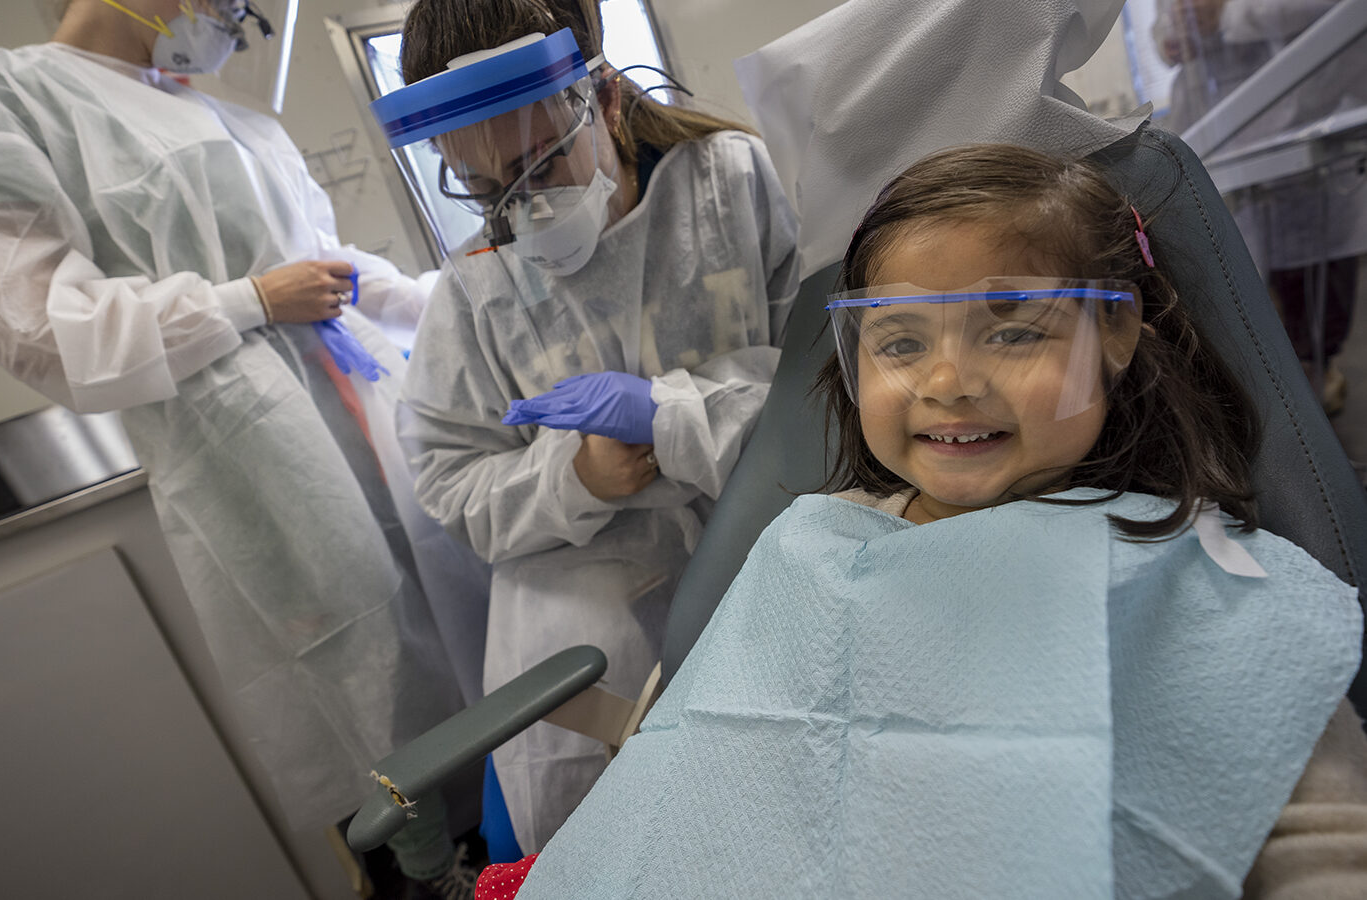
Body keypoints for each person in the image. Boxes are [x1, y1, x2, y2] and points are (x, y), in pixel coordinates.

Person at [467, 144, 1366, 898]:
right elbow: (688, 772)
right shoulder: (812, 543)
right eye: (900, 343)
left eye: (1012, 331)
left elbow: (1313, 833)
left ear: (1118, 333)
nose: (947, 382)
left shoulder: (1187, 567)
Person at [0, 1, 485, 895]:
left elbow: (332, 273)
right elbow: (42, 332)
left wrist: (476, 291)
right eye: (232, 5)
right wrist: (247, 301)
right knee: (367, 675)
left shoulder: (227, 114)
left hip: (371, 421)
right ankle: (430, 873)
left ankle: (499, 848)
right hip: (257, 460)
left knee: (451, 633)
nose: (235, 20)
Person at [375, 0, 798, 857]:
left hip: (767, 569)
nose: (522, 215)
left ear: (602, 99)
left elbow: (826, 380)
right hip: (585, 639)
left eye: (539, 171)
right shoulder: (474, 290)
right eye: (488, 193)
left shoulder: (729, 184)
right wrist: (572, 479)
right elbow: (452, 481)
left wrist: (672, 418)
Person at [1154, 0, 1367, 415]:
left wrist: (1230, 15)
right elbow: (1166, 25)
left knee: (1313, 290)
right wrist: (1172, 38)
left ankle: (1313, 380)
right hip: (1216, 131)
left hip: (1305, 114)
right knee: (1234, 290)